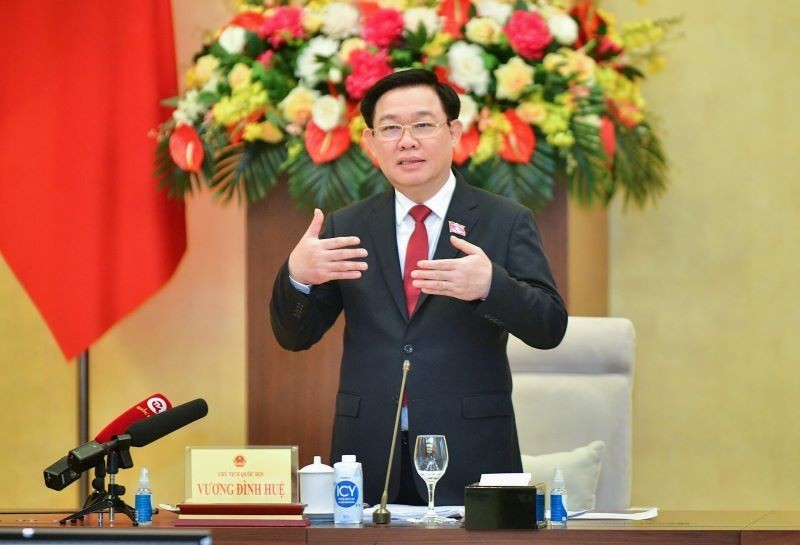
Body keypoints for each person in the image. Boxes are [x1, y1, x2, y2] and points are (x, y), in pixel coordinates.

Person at [270, 69, 567, 507]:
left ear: (454, 133)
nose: (406, 141)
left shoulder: (504, 220)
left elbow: (550, 326)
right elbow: (295, 337)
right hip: (368, 453)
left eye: (423, 125)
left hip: (473, 453)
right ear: (371, 143)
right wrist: (298, 275)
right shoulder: (346, 226)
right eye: (390, 128)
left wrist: (491, 286)